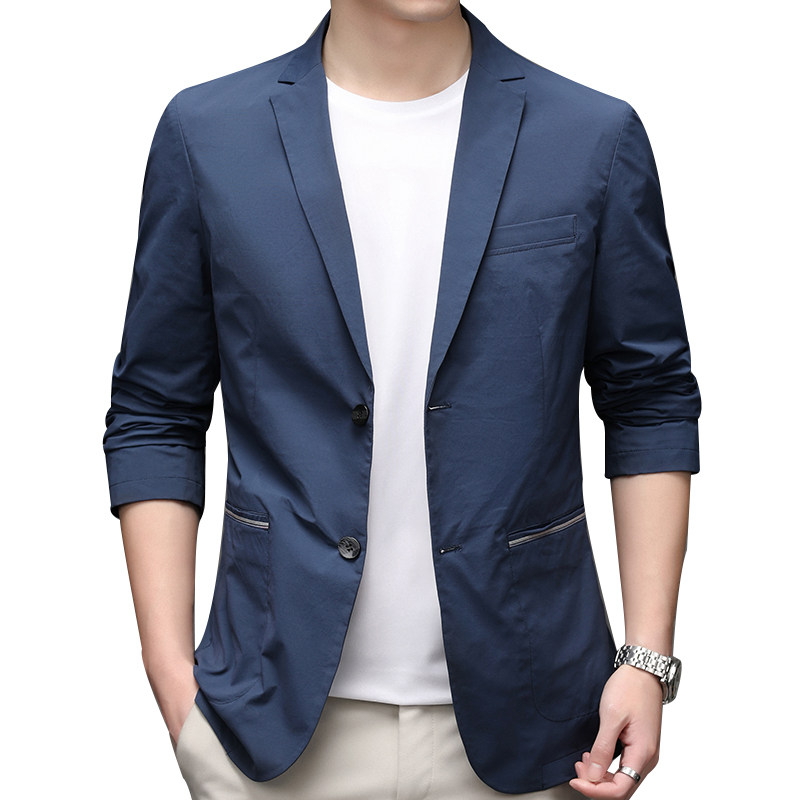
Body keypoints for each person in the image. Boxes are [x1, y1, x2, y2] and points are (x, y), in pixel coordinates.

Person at [103, 2, 701, 799]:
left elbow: (650, 400)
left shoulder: (591, 136)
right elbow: (155, 410)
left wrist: (646, 659)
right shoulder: (209, 134)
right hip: (270, 727)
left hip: (538, 727)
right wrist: (172, 679)